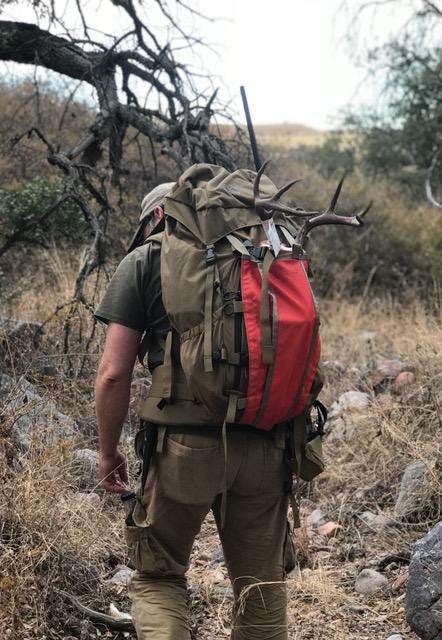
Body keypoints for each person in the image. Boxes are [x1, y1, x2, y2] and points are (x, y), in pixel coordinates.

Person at [94, 182, 294, 640]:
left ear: (160, 214)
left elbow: (112, 373)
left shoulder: (146, 260)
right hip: (267, 442)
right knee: (260, 590)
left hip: (183, 446)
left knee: (159, 578)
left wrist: (108, 453)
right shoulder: (265, 254)